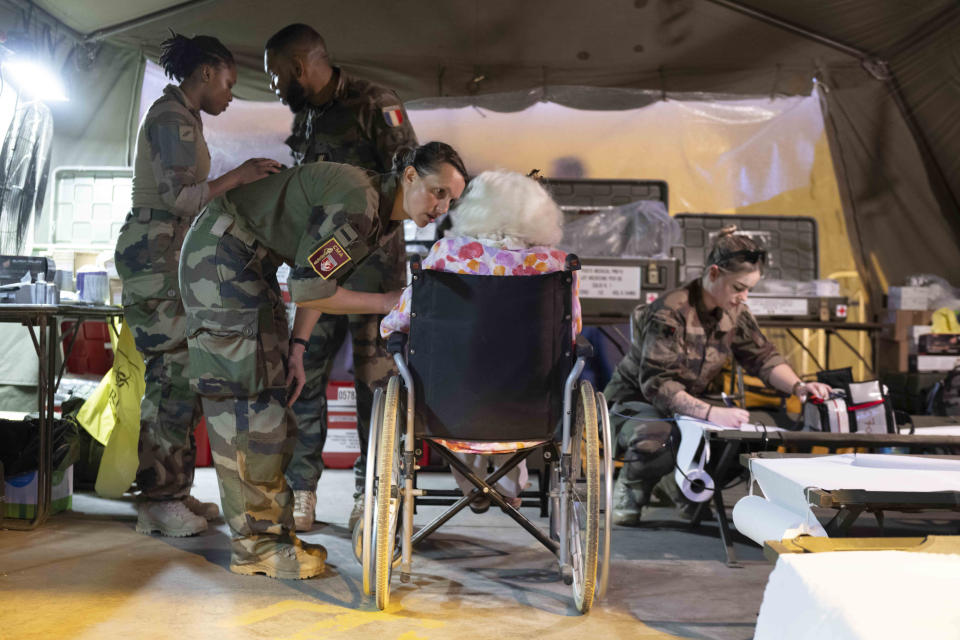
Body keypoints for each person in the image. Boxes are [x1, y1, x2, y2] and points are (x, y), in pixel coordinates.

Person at [178, 142, 467, 579]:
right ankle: (255, 545)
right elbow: (312, 290)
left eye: (451, 200)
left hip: (249, 263)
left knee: (275, 397)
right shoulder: (359, 203)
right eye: (437, 191)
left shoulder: (381, 219)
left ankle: (270, 533)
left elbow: (318, 280)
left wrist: (297, 349)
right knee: (249, 403)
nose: (441, 206)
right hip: (221, 258)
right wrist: (392, 300)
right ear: (409, 176)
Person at [115, 32, 280, 538]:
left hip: (166, 256)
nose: (231, 94)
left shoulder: (185, 118)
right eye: (229, 82)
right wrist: (241, 175)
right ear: (207, 72)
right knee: (171, 376)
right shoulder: (171, 118)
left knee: (182, 373)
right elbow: (181, 198)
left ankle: (174, 488)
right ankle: (158, 501)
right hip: (155, 255)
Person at [263, 23, 418, 532]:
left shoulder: (376, 104)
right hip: (321, 268)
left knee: (376, 384)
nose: (274, 85)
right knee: (301, 373)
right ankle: (303, 490)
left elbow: (408, 181)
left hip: (374, 271)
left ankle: (369, 494)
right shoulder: (306, 116)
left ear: (300, 67)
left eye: (277, 74)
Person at [380, 169, 582, 512]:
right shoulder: (555, 266)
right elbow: (571, 335)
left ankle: (472, 485)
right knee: (516, 383)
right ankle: (509, 484)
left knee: (451, 380)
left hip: (450, 407)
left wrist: (391, 332)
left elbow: (398, 323)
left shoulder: (445, 256)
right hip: (531, 410)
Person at [603, 227, 832, 526]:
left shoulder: (733, 310)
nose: (743, 296)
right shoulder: (671, 312)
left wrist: (799, 386)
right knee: (658, 437)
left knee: (756, 435)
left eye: (749, 288)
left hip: (690, 403)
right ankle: (632, 488)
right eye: (738, 287)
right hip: (637, 403)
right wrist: (712, 412)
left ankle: (681, 487)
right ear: (713, 273)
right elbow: (657, 384)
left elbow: (762, 357)